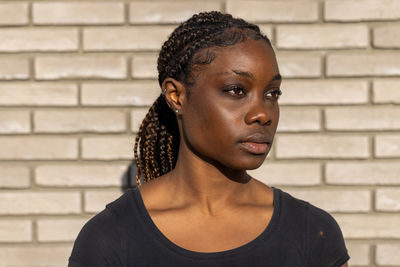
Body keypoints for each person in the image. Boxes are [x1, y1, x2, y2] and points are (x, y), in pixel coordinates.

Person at [69, 11, 350, 267]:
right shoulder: (110, 240)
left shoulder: (312, 232)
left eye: (272, 93)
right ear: (176, 96)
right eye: (236, 90)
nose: (263, 114)